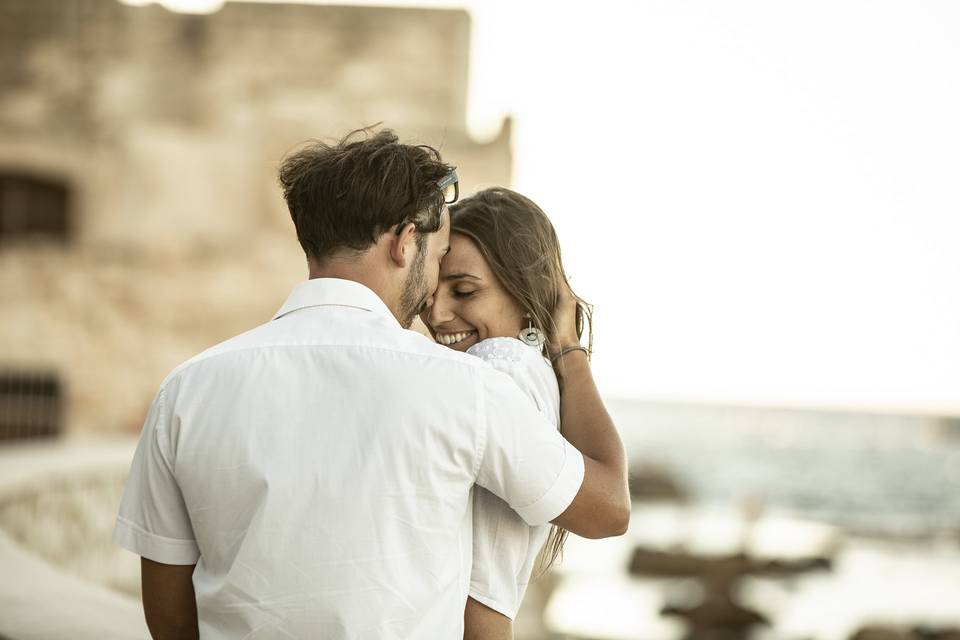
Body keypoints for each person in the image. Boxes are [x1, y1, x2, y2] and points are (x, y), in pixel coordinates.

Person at [112, 128, 630, 639]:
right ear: (407, 242)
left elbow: (171, 616)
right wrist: (568, 350)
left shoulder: (185, 389)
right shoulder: (467, 387)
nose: (433, 298)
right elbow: (607, 508)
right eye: (439, 250)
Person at [422, 187, 596, 639]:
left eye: (463, 291)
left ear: (524, 292)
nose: (437, 314)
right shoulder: (533, 378)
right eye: (429, 293)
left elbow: (479, 589)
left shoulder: (500, 366)